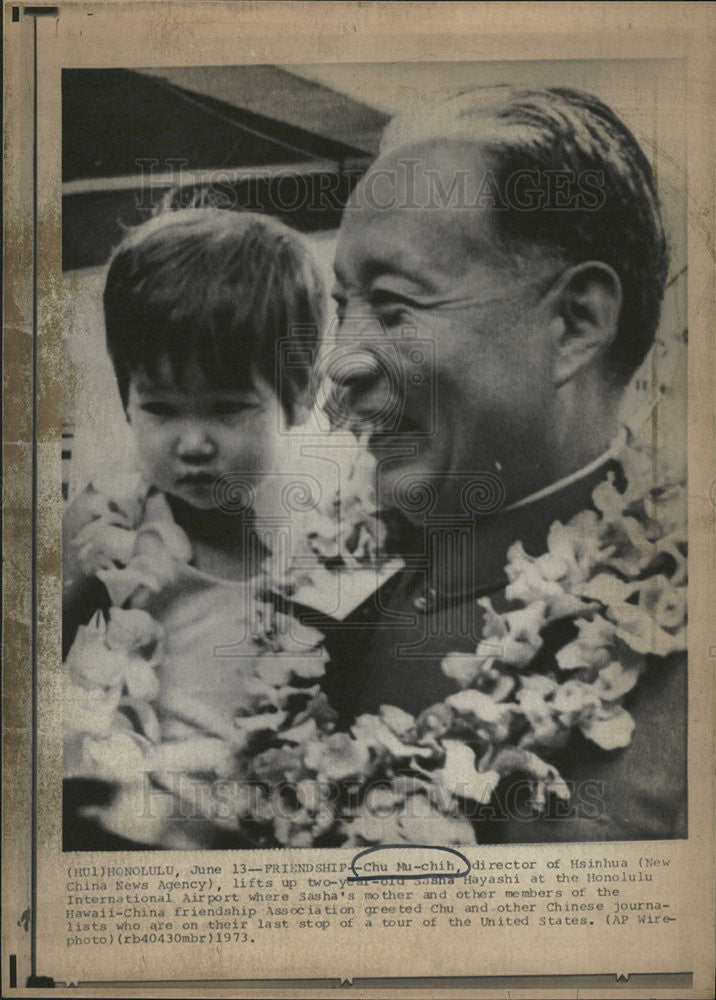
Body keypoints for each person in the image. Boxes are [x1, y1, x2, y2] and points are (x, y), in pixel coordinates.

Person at [305, 86, 686, 842]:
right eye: (342, 305)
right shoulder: (314, 607)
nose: (338, 364)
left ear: (576, 322)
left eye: (394, 304)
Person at [62, 207, 326, 848]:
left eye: (230, 408)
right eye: (159, 408)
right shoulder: (106, 532)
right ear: (127, 398)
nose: (193, 443)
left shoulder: (323, 549)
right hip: (128, 825)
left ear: (300, 395)